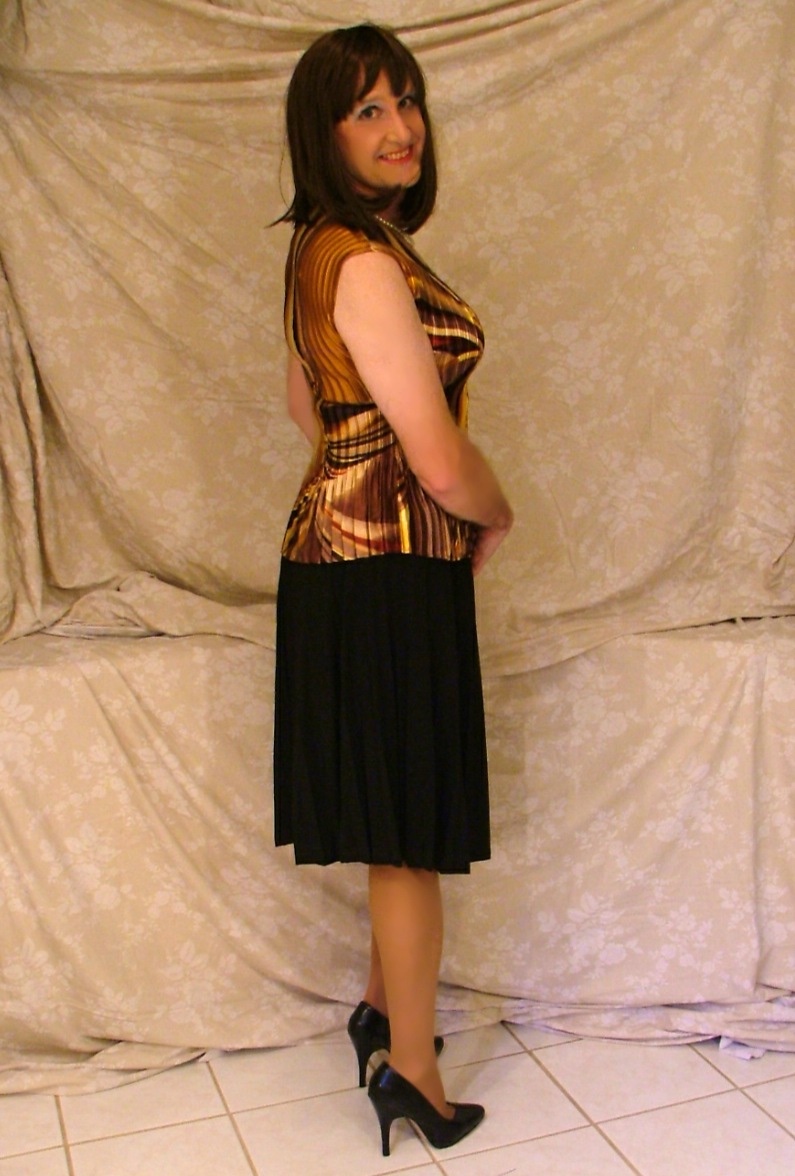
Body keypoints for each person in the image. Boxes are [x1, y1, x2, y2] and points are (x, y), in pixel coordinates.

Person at [272, 23, 513, 1157]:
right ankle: (413, 1073)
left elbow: (306, 406)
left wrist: (366, 480)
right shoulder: (364, 261)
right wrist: (493, 510)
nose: (400, 125)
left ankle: (380, 1013)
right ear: (323, 133)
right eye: (367, 108)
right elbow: (437, 459)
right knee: (407, 833)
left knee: (392, 817)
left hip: (344, 556)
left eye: (406, 100)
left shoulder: (325, 248)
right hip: (388, 565)